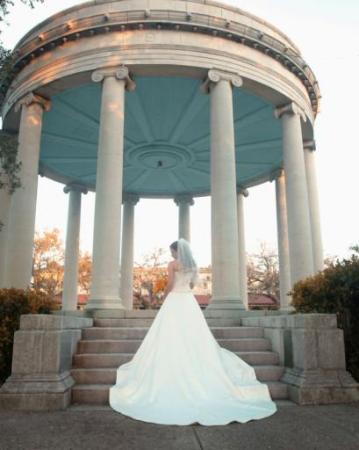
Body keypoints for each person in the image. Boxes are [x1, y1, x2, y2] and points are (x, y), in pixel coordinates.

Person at [109, 238, 278, 426]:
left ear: (176, 251)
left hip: (175, 300)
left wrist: (162, 298)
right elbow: (190, 286)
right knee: (193, 335)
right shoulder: (193, 265)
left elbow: (170, 284)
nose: (171, 254)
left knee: (169, 334)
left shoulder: (173, 264)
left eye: (171, 251)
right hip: (189, 302)